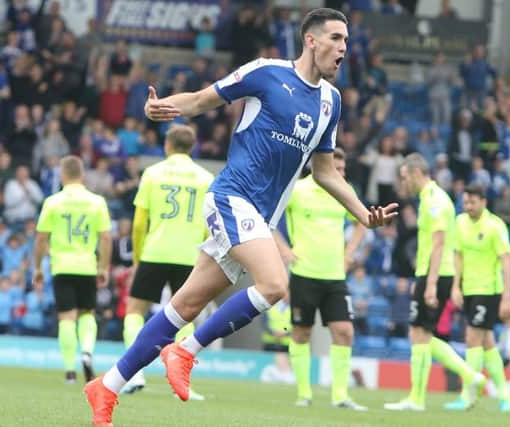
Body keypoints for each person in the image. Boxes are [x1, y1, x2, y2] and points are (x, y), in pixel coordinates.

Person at [84, 9, 397, 426]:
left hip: (259, 218)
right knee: (273, 285)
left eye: (346, 40)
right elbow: (200, 99)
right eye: (337, 38)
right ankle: (185, 351)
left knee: (186, 304)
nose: (344, 48)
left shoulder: (331, 102)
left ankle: (107, 385)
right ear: (311, 40)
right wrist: (164, 107)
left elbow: (324, 172)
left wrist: (363, 214)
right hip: (231, 197)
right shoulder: (266, 72)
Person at [385, 154, 485, 412]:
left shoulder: (435, 201)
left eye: (405, 176)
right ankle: (461, 378)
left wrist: (429, 284)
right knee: (421, 334)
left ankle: (421, 397)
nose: (403, 181)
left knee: (419, 334)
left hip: (435, 274)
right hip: (432, 273)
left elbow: (439, 243)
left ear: (417, 172)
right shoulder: (428, 198)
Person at [121, 125, 213, 396]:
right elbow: (210, 224)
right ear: (193, 146)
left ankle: (133, 374)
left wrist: (138, 257)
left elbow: (139, 223)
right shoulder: (206, 177)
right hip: (189, 254)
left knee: (135, 311)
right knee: (186, 316)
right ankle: (181, 382)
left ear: (167, 145)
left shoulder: (153, 173)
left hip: (155, 251)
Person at [274, 147, 367, 410]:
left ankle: (340, 396)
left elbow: (363, 220)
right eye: (335, 170)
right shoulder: (298, 190)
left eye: (342, 171)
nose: (339, 176)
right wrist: (283, 249)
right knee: (301, 333)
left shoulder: (346, 193)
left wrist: (350, 253)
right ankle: (304, 393)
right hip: (304, 274)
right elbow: (268, 215)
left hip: (335, 276)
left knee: (344, 332)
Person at [33, 156, 112, 384]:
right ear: (83, 175)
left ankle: (69, 371)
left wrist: (38, 267)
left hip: (62, 266)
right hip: (87, 265)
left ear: (62, 175)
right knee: (87, 314)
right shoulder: (97, 202)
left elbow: (40, 239)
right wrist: (103, 267)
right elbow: (106, 238)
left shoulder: (53, 202)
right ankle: (87, 352)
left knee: (66, 318)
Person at [445, 184, 510, 412]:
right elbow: (458, 255)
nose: (468, 207)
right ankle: (505, 396)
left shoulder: (495, 226)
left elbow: (506, 261)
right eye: (465, 202)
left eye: (472, 202)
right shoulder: (460, 222)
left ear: (483, 202)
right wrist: (456, 287)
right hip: (469, 290)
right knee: (487, 342)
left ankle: (468, 395)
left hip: (489, 290)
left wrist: (507, 296)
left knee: (472, 338)